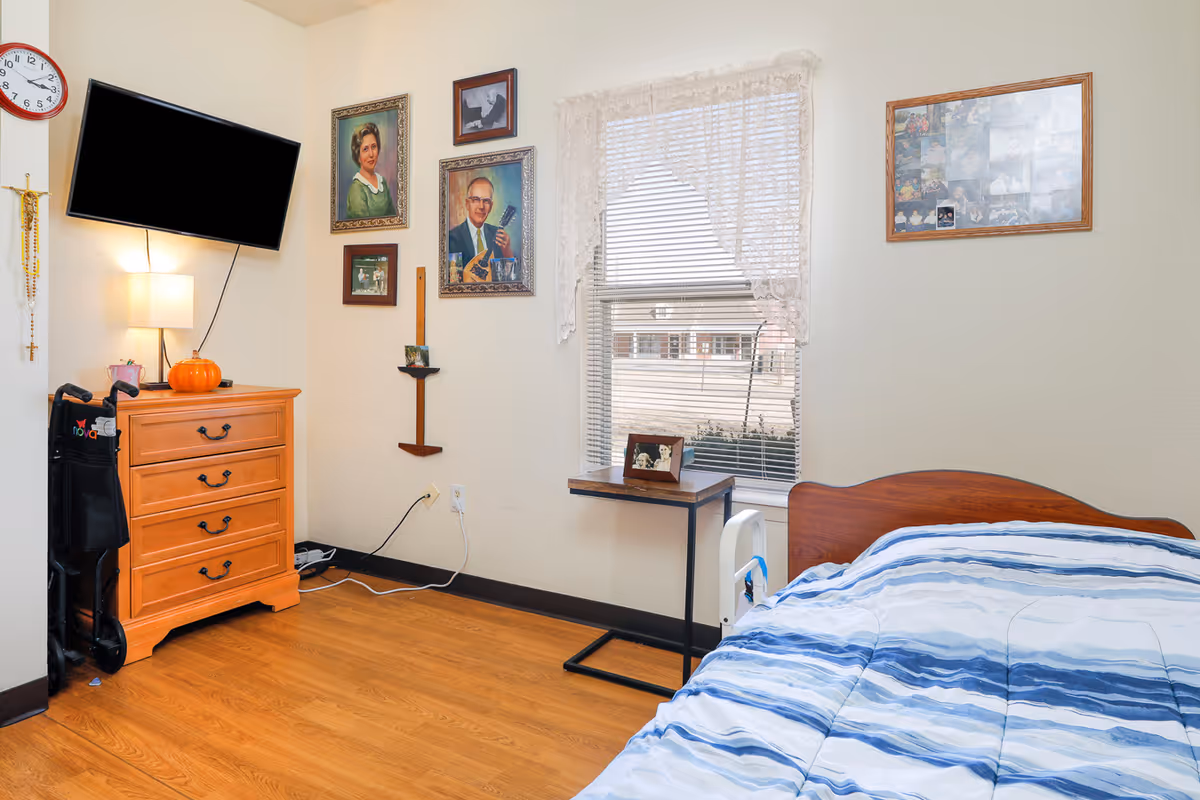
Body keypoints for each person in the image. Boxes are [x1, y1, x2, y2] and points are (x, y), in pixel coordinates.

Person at [446, 176, 515, 274]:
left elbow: (509, 278)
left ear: (491, 206)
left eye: (486, 201)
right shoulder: (452, 238)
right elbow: (454, 280)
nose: (481, 206)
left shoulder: (499, 236)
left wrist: (507, 252)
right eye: (476, 199)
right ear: (467, 203)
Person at [345, 122, 397, 219]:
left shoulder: (383, 183)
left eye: (373, 147)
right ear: (358, 155)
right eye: (365, 149)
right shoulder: (357, 189)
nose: (371, 154)